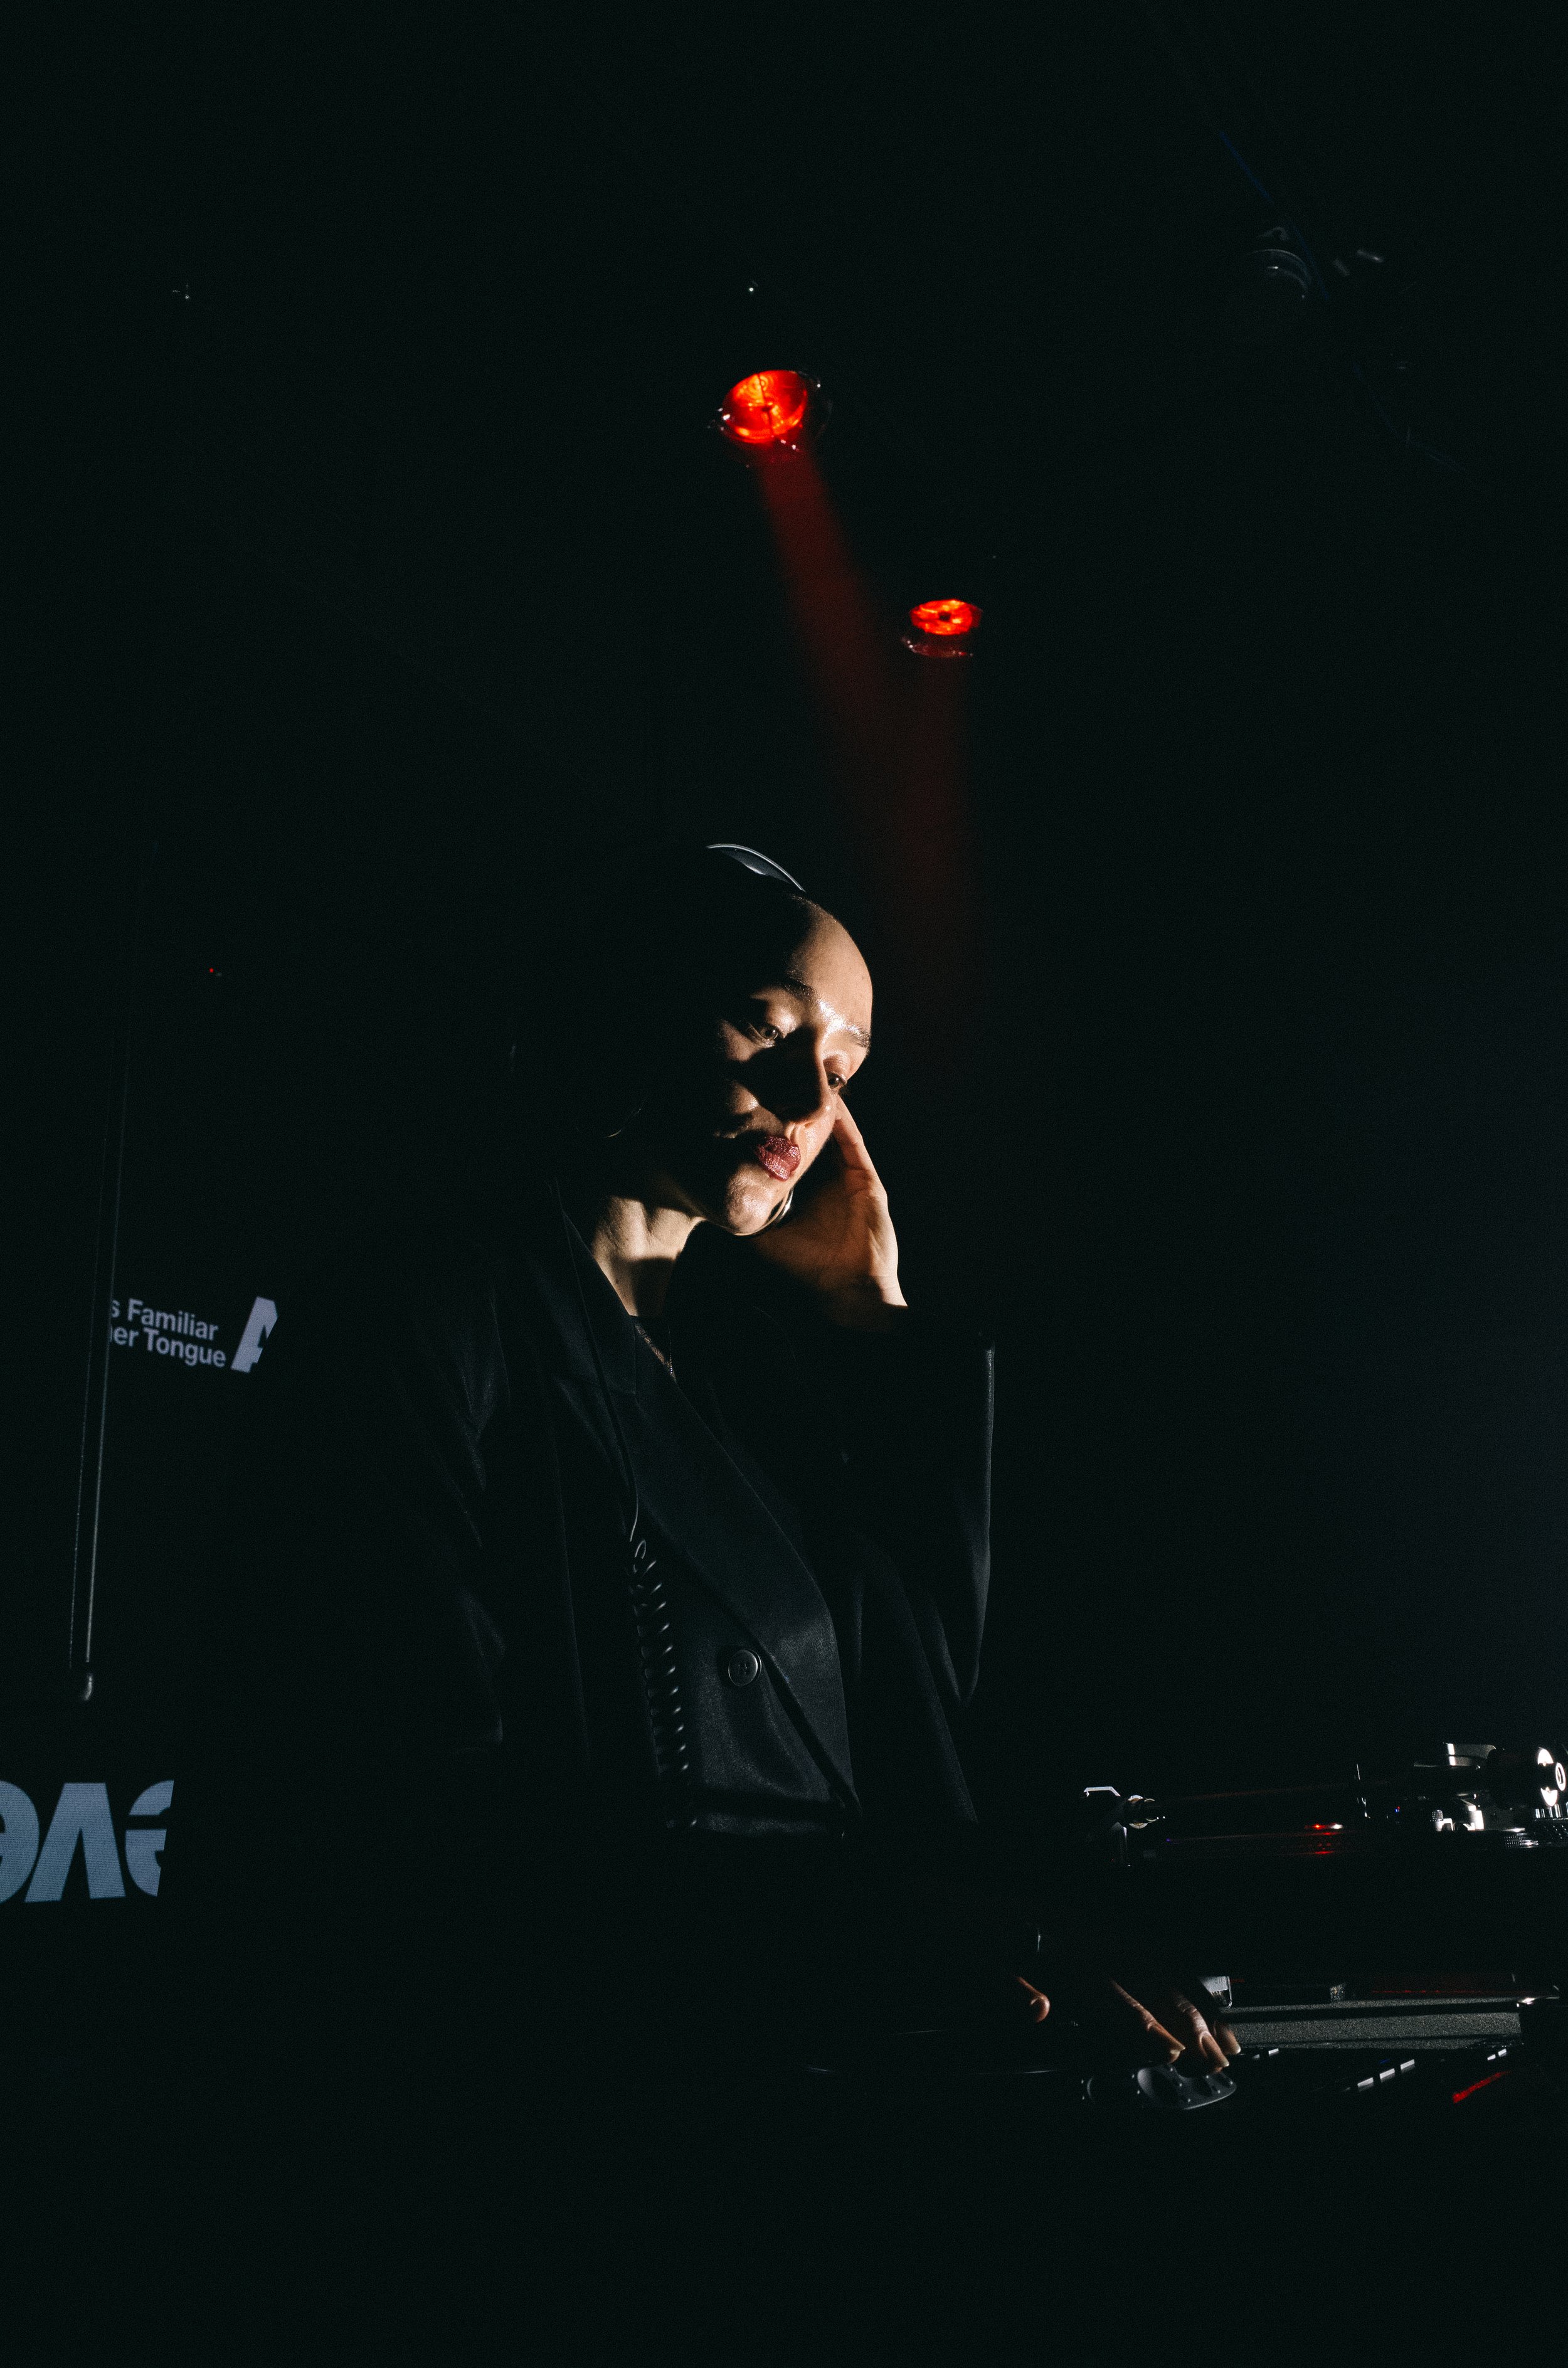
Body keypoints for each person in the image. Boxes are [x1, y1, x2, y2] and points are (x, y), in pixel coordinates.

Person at [194, 842, 1238, 2108]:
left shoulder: (743, 1379)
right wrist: (883, 1931)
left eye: (845, 1064)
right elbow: (406, 1822)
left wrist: (877, 1319)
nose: (809, 1094)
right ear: (625, 1008)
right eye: (767, 1023)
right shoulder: (424, 1318)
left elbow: (908, 1700)